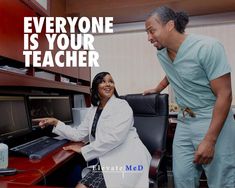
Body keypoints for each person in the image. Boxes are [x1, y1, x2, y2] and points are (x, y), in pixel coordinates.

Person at [144, 6, 235, 188]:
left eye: (152, 31)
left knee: (221, 182)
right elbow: (174, 71)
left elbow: (225, 94)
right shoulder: (162, 53)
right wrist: (158, 88)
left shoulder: (208, 47)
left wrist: (210, 140)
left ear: (170, 25)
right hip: (184, 122)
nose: (149, 38)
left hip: (212, 118)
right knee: (182, 179)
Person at [34, 72, 151, 188]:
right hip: (108, 158)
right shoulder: (94, 109)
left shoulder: (122, 106)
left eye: (111, 81)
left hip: (127, 159)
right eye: (103, 81)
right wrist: (56, 122)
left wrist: (84, 149)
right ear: (95, 87)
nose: (108, 84)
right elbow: (79, 134)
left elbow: (114, 139)